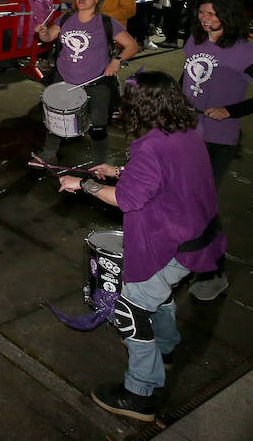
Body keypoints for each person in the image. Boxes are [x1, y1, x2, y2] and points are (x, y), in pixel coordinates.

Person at [57, 71, 226, 424]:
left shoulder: (149, 146)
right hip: (200, 235)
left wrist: (83, 185)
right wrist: (122, 170)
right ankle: (165, 348)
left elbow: (125, 200)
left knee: (131, 310)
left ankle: (139, 394)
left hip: (173, 244)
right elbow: (166, 174)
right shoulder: (187, 127)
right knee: (158, 295)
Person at [181, 0, 253, 301]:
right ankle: (193, 255)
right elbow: (185, 80)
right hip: (187, 133)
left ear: (227, 16)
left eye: (211, 14)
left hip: (218, 139)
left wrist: (231, 111)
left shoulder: (244, 52)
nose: (204, 18)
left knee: (202, 204)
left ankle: (214, 272)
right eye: (201, 13)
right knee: (189, 199)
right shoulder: (194, 41)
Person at [35, 0, 139, 164]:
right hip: (64, 79)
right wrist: (43, 33)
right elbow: (50, 35)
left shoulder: (106, 22)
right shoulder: (65, 17)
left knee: (98, 126)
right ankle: (49, 152)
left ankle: (100, 163)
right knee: (57, 119)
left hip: (96, 82)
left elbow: (131, 46)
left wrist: (116, 60)